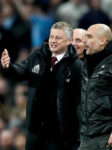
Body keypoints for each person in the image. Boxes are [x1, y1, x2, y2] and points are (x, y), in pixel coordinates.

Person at [0, 22, 83, 150]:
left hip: (60, 133)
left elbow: (80, 101)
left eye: (58, 38)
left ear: (69, 41)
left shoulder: (77, 65)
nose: (53, 41)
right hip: (35, 130)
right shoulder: (37, 55)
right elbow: (19, 72)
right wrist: (8, 67)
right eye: (52, 37)